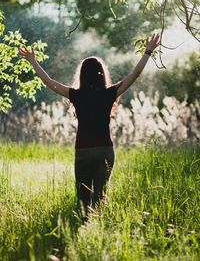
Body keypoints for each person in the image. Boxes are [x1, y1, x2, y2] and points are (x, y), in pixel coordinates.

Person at [18, 33, 160, 220]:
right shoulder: (110, 93)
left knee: (83, 199)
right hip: (105, 150)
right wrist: (148, 51)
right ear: (102, 74)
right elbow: (135, 74)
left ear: (82, 75)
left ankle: (83, 228)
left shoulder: (76, 95)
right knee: (100, 196)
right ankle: (96, 231)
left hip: (83, 151)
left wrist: (32, 61)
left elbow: (49, 82)